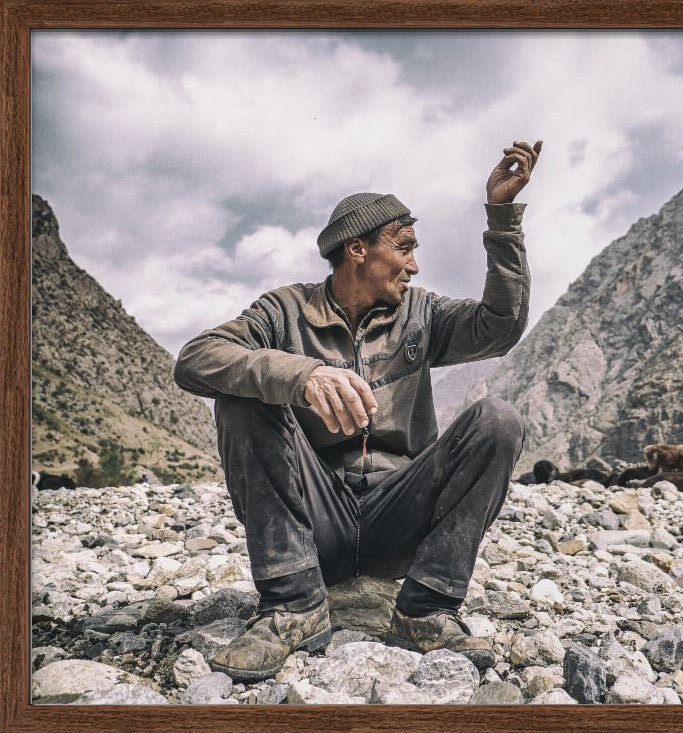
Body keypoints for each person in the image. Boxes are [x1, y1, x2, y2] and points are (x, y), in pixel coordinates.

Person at [174, 140, 542, 681]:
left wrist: (503, 219)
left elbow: (501, 328)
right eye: (404, 247)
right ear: (358, 250)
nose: (414, 265)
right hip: (313, 521)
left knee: (499, 420)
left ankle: (427, 611)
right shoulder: (284, 311)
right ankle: (294, 606)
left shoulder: (423, 314)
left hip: (400, 517)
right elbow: (196, 358)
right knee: (240, 394)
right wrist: (302, 377)